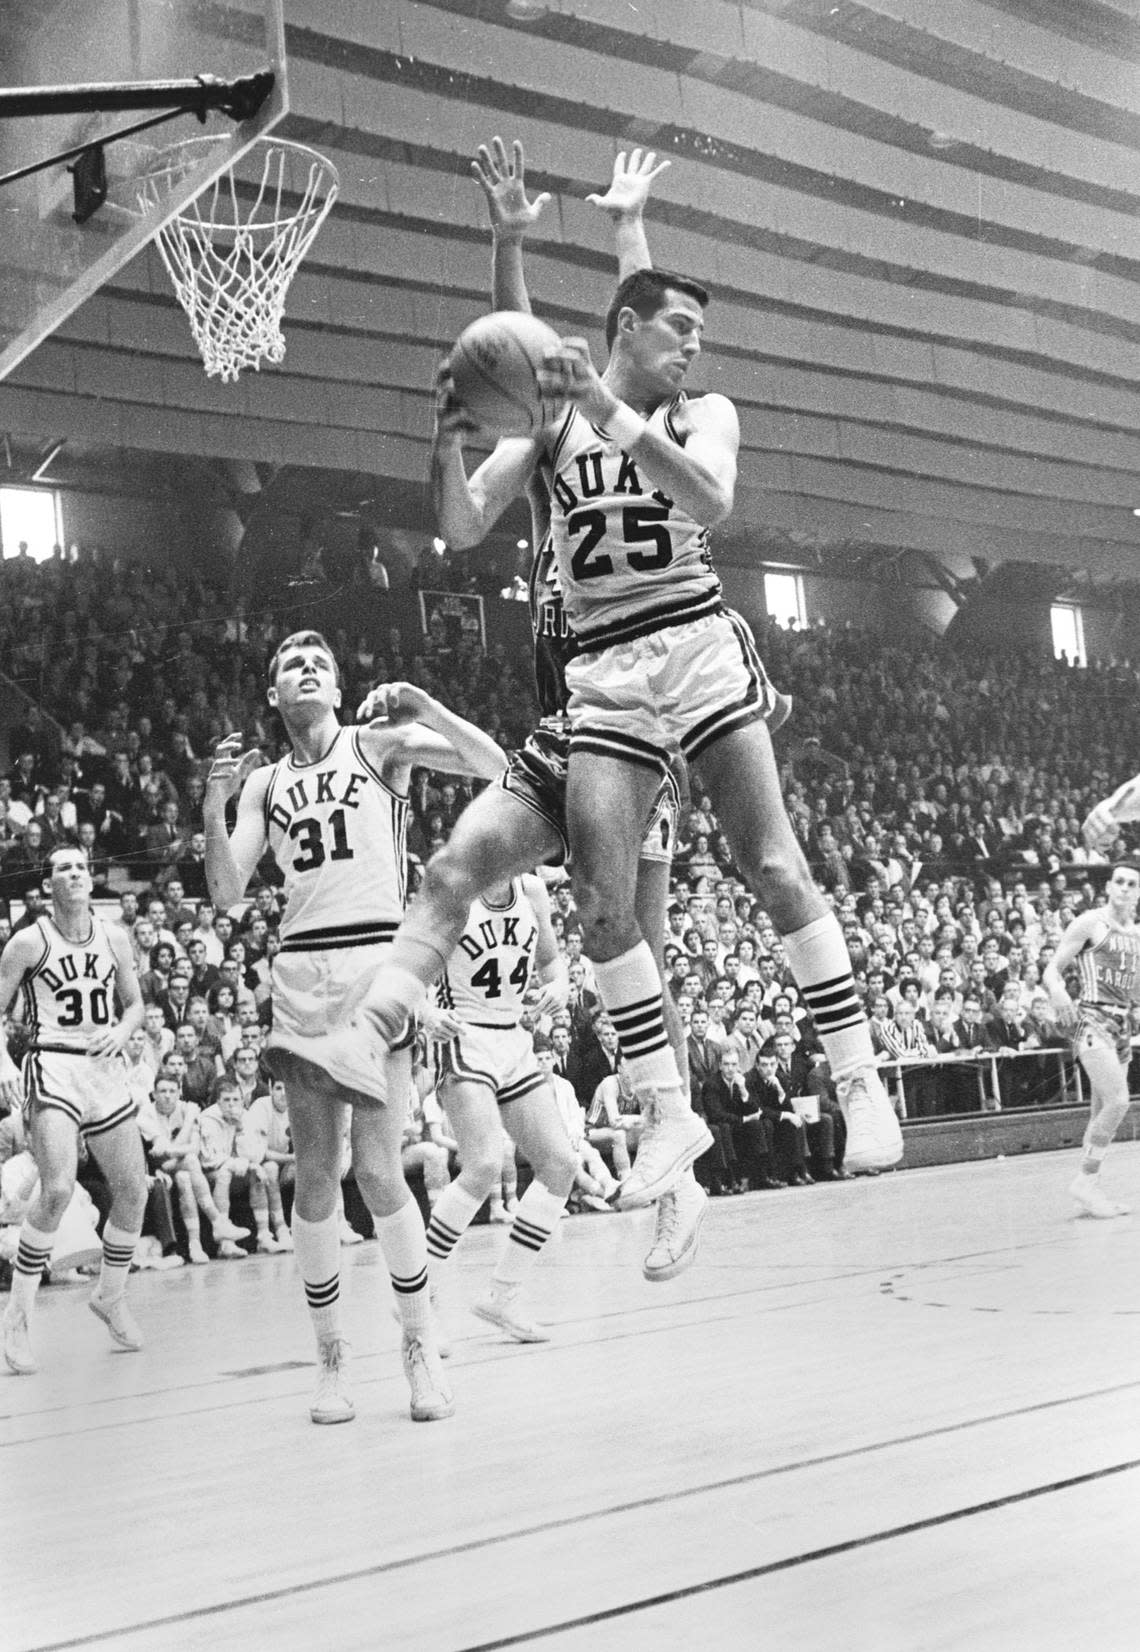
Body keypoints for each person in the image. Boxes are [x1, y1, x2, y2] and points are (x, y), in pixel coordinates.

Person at [427, 161, 903, 1199]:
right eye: (679, 329)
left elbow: (714, 499)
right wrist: (510, 240)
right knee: (602, 908)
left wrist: (619, 390)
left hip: (691, 639)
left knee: (772, 861)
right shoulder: (564, 412)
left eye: (701, 334)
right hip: (602, 674)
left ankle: (862, 1078)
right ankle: (668, 1112)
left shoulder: (704, 414)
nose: (695, 345)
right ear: (631, 329)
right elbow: (529, 353)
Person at [352, 141, 708, 1282]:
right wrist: (509, 245)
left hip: (642, 704)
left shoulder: (643, 419)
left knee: (629, 934)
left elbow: (639, 348)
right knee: (560, 912)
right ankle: (665, 1150)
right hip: (570, 710)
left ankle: (673, 1162)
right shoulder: (544, 435)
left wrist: (621, 232)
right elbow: (465, 509)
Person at [204, 630, 505, 1425]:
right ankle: (330, 1358)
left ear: (338, 689)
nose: (306, 671)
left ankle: (418, 1348)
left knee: (378, 1171)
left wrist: (427, 704)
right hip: (302, 971)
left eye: (320, 664)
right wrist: (211, 804)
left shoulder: (378, 745)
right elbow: (228, 892)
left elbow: (493, 766)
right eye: (290, 667)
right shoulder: (265, 783)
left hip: (376, 964)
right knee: (314, 1175)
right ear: (274, 697)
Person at [0, 846, 148, 1375]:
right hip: (53, 1063)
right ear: (48, 885)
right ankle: (17, 1314)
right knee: (59, 1187)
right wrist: (4, 1065)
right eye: (64, 867)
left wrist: (123, 1030)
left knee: (135, 1190)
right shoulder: (29, 940)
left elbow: (134, 1006)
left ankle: (109, 1296)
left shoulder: (114, 936)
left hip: (102, 1065)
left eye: (83, 866)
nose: (76, 873)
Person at [423, 872, 577, 1341]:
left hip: (514, 1037)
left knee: (560, 1165)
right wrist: (425, 1012)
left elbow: (552, 963)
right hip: (464, 1034)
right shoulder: (454, 890)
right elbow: (407, 967)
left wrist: (559, 986)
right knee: (484, 1164)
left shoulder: (532, 891)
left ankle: (501, 1295)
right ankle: (418, 1293)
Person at [1042, 860, 1140, 1219]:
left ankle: (1090, 1190)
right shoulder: (1090, 923)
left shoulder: (1137, 935)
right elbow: (1052, 969)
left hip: (1123, 1026)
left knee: (1101, 1111)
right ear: (1109, 886)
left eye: (1132, 884)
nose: (1124, 888)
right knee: (1118, 1102)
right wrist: (1058, 992)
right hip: (1092, 1020)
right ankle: (1085, 1179)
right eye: (1119, 881)